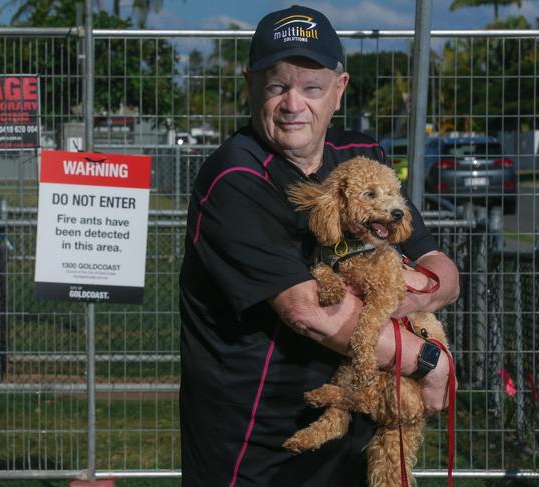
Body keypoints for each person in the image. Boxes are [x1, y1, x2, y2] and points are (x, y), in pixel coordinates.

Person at [179, 5, 460, 486]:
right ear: (251, 85)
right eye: (277, 85)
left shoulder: (360, 157)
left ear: (339, 89)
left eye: (311, 87)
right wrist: (429, 361)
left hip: (353, 438)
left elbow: (438, 264)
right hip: (258, 449)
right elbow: (308, 313)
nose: (293, 104)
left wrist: (411, 293)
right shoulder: (235, 177)